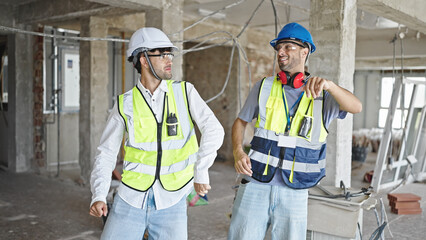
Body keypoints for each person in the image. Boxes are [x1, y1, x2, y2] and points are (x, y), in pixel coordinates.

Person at [227, 22, 362, 240]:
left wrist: (331, 86)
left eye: (288, 47)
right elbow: (240, 122)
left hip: (296, 189)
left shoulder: (322, 95)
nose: (280, 52)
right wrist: (237, 152)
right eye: (279, 48)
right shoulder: (264, 87)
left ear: (305, 51)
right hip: (255, 183)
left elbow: (356, 107)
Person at [89, 27, 224, 239]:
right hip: (130, 199)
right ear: (143, 59)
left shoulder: (185, 92)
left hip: (172, 201)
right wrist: (98, 195)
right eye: (162, 54)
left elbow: (214, 130)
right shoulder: (124, 104)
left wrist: (201, 170)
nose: (169, 59)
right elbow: (106, 153)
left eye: (169, 54)